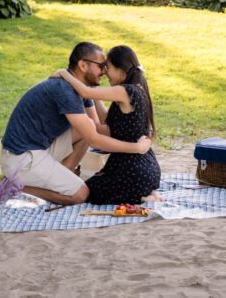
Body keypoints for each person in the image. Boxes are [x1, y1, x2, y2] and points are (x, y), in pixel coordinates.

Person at [0, 42, 153, 206]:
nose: (104, 71)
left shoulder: (80, 89)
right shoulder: (65, 90)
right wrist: (136, 148)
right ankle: (14, 187)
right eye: (101, 66)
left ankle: (63, 177)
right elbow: (94, 139)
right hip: (21, 159)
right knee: (81, 194)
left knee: (86, 128)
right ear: (83, 65)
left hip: (37, 150)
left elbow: (95, 127)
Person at [53, 44, 161, 204]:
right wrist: (95, 95)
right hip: (148, 170)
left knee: (86, 191)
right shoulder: (137, 90)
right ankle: (143, 195)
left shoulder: (125, 91)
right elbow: (105, 123)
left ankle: (139, 196)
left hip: (132, 172)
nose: (104, 72)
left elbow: (85, 92)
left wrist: (64, 73)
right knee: (95, 184)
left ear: (120, 69)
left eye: (108, 67)